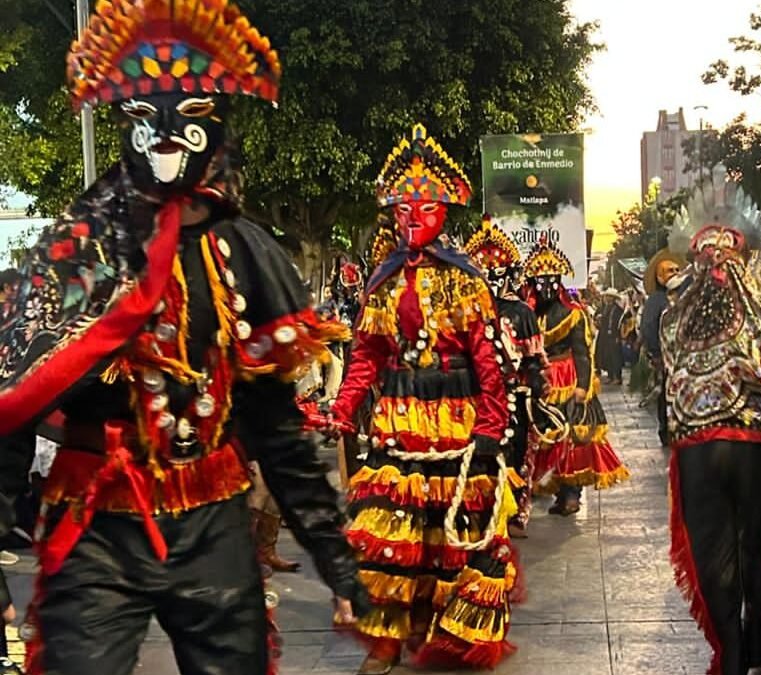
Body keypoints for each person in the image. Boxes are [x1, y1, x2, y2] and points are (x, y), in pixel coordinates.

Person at [0, 2, 367, 673]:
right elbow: (17, 399)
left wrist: (336, 559)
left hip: (212, 518)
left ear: (217, 124)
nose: (168, 133)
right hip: (97, 520)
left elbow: (275, 424)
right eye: (144, 116)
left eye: (192, 113)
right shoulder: (82, 250)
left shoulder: (244, 251)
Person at [325, 124, 518, 675]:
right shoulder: (382, 281)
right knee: (390, 532)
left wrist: (490, 427)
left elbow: (488, 359)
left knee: (452, 537)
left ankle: (449, 634)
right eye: (403, 210)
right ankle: (386, 640)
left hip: (456, 423)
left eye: (426, 208)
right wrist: (342, 409)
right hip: (397, 421)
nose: (413, 219)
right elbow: (366, 355)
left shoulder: (467, 281)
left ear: (444, 211)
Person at [661, 186, 761, 675]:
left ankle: (730, 653)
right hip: (760, 441)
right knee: (757, 545)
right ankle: (757, 643)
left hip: (699, 443)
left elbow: (664, 359)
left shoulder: (677, 317)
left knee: (714, 551)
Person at [524, 238, 629, 516]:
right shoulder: (528, 312)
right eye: (540, 280)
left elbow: (582, 352)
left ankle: (571, 494)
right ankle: (559, 491)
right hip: (542, 378)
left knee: (574, 436)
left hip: (567, 377)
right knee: (546, 436)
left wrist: (583, 386)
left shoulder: (573, 313)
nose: (545, 286)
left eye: (551, 279)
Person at [464, 215, 551, 537]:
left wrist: (536, 383)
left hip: (512, 395)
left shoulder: (521, 312)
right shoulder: (464, 311)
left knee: (514, 454)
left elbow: (533, 359)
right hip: (471, 395)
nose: (490, 279)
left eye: (496, 272)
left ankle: (515, 514)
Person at [639, 248, 685, 446]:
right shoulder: (656, 300)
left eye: (677, 270)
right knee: (665, 392)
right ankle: (665, 430)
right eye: (669, 271)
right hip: (665, 358)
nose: (675, 273)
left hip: (685, 358)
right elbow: (648, 327)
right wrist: (656, 353)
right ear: (659, 277)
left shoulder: (687, 295)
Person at [596, 288, 625, 384]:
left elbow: (619, 323)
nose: (607, 298)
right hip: (606, 335)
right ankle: (610, 375)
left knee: (615, 356)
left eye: (609, 296)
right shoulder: (605, 308)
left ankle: (617, 377)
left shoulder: (617, 309)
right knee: (608, 355)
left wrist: (618, 336)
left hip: (614, 335)